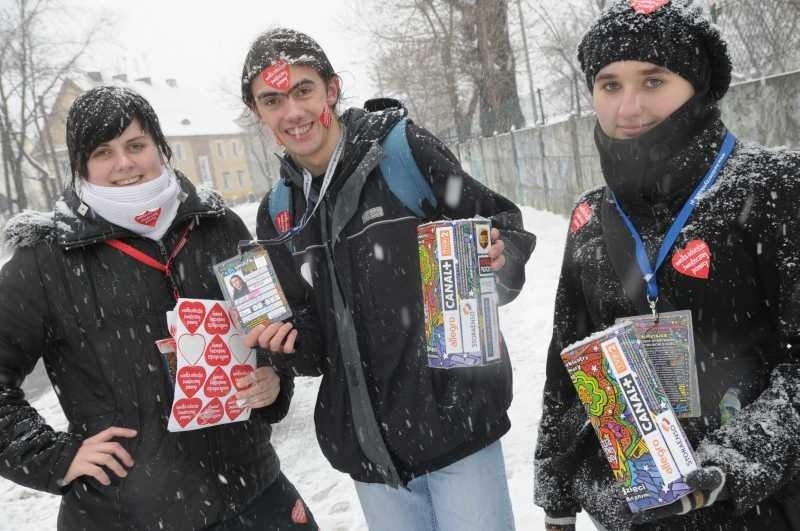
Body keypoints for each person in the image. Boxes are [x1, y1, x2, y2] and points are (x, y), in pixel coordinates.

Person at [239, 28, 536, 531]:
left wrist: (497, 259)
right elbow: (312, 343)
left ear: (331, 90)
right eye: (272, 100)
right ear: (258, 113)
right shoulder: (279, 212)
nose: (292, 112)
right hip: (370, 455)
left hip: (457, 427)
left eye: (303, 90)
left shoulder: (401, 151)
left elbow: (500, 224)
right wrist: (283, 345)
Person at [533, 1, 800, 530]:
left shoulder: (773, 187)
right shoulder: (590, 216)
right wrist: (557, 492)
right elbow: (568, 360)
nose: (628, 107)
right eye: (610, 85)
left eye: (652, 81)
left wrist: (727, 466)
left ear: (697, 87)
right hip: (639, 506)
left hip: (762, 507)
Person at [0, 86, 317, 530]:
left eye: (136, 145)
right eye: (103, 152)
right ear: (81, 166)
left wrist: (272, 378)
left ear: (160, 147)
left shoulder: (218, 224)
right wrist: (55, 457)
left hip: (254, 493)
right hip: (131, 515)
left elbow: (267, 325)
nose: (125, 163)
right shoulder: (47, 258)